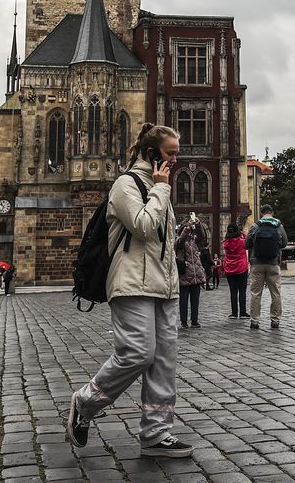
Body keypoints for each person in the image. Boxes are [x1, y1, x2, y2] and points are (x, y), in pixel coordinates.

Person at [67, 123, 192, 459]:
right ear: (151, 153)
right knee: (138, 353)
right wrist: (162, 190)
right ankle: (85, 402)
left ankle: (156, 433)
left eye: (176, 153)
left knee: (163, 362)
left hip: (164, 286)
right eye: (170, 153)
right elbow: (143, 227)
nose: (175, 159)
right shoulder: (126, 185)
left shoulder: (156, 187)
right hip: (132, 283)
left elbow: (164, 242)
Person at [246, 204, 287, 330]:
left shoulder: (255, 225)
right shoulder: (279, 225)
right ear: (272, 213)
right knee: (275, 293)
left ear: (262, 213)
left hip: (257, 263)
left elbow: (247, 243)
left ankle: (255, 321)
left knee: (255, 293)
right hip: (273, 263)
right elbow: (284, 243)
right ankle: (275, 320)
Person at [177, 216, 204, 329]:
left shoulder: (194, 240)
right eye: (186, 230)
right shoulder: (179, 241)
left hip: (196, 274)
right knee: (183, 300)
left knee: (195, 300)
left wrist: (198, 225)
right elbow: (181, 241)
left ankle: (194, 321)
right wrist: (186, 228)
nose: (188, 232)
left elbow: (202, 237)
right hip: (184, 273)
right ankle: (183, 321)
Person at [222, 222, 250, 319]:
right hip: (242, 268)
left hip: (230, 269)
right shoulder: (242, 241)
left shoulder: (225, 243)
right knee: (242, 291)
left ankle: (234, 313)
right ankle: (243, 313)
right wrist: (244, 234)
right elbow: (249, 244)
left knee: (233, 292)